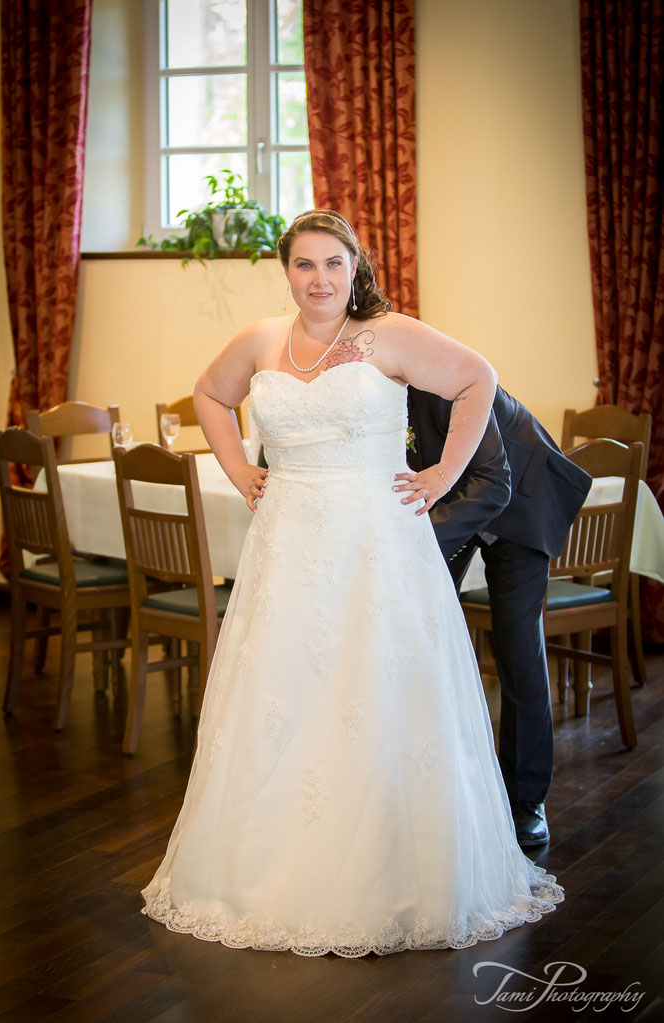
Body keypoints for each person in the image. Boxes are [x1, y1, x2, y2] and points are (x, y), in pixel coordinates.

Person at [141, 209, 563, 956]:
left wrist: (439, 475)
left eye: (333, 264)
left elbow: (477, 379)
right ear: (287, 270)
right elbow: (209, 394)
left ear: (355, 267)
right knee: (286, 694)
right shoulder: (262, 340)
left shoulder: (388, 335)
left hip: (376, 542)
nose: (319, 279)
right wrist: (241, 469)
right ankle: (268, 868)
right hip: (287, 544)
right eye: (305, 265)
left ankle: (396, 866)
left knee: (374, 689)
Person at [406, 388, 592, 848]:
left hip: (521, 493)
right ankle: (436, 782)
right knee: (418, 627)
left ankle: (526, 800)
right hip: (455, 497)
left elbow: (492, 481)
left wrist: (418, 543)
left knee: (517, 645)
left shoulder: (435, 375)